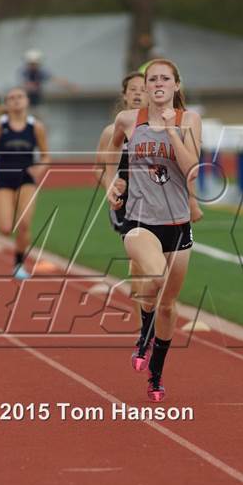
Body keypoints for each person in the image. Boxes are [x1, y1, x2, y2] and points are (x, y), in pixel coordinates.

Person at [105, 58, 202, 402]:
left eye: (165, 79)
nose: (158, 83)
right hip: (140, 221)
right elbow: (110, 150)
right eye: (152, 79)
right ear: (144, 87)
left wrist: (172, 130)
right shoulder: (127, 120)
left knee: (168, 305)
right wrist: (111, 184)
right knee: (155, 279)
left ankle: (155, 374)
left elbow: (192, 170)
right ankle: (143, 337)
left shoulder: (189, 120)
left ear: (176, 86)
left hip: (177, 225)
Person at [96, 71, 148, 333]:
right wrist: (111, 186)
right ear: (125, 95)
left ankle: (146, 310)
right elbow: (100, 168)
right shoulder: (112, 131)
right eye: (133, 89)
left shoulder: (161, 129)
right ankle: (144, 329)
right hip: (126, 205)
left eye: (143, 88)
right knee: (141, 267)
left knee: (157, 270)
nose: (138, 93)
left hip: (158, 205)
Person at [0, 86, 51, 279]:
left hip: (26, 180)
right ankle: (9, 221)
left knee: (25, 223)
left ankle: (19, 264)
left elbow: (46, 156)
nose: (16, 100)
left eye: (20, 97)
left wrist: (40, 167)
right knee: (5, 229)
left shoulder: (36, 127)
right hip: (3, 179)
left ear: (27, 101)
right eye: (11, 98)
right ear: (7, 104)